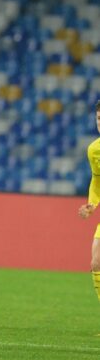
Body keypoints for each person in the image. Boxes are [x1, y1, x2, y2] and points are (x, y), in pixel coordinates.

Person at [78, 100, 100, 307]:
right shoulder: (94, 150)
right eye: (99, 119)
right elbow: (97, 179)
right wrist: (92, 204)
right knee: (96, 263)